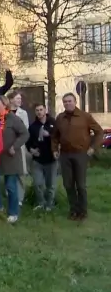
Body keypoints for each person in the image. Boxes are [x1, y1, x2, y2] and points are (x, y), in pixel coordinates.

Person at [52, 92, 103, 221]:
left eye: (70, 101)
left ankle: (83, 211)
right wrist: (54, 149)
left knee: (80, 184)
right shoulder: (60, 118)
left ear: (75, 102)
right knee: (68, 184)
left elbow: (99, 132)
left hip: (81, 154)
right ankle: (73, 210)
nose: (67, 103)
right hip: (65, 155)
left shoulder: (84, 116)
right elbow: (55, 136)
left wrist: (93, 148)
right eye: (65, 102)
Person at [0, 95, 29, 223]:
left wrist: (15, 146)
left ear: (5, 105)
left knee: (10, 186)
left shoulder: (13, 119)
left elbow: (25, 134)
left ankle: (13, 212)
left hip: (11, 157)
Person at [26, 103, 57, 211]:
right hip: (37, 159)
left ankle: (50, 204)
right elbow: (28, 142)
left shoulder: (53, 123)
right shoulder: (33, 126)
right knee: (37, 183)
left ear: (45, 110)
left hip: (51, 158)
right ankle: (40, 203)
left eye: (41, 110)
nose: (39, 112)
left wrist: (49, 135)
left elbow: (59, 137)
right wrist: (31, 150)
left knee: (51, 184)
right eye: (37, 110)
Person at [8, 90, 30, 206]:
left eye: (20, 99)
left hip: (19, 145)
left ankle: (20, 198)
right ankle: (10, 195)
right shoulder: (5, 112)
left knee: (21, 171)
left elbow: (25, 129)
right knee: (9, 171)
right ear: (11, 99)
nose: (19, 101)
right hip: (7, 145)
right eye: (17, 98)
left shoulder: (23, 113)